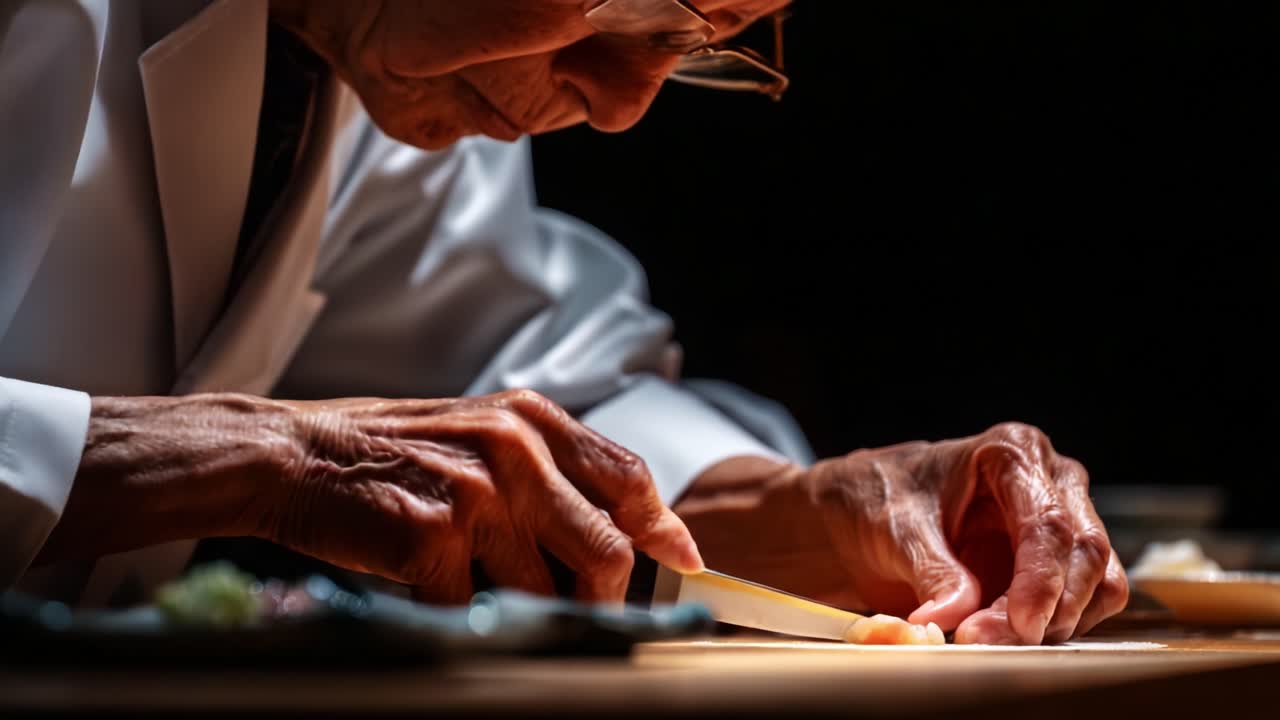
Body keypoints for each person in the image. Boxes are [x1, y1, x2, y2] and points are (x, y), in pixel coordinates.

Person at [0, 0, 1127, 644]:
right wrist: (238, 455)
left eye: (687, 40)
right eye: (623, 3)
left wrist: (811, 515)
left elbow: (541, 397)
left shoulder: (382, 67)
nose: (622, 102)